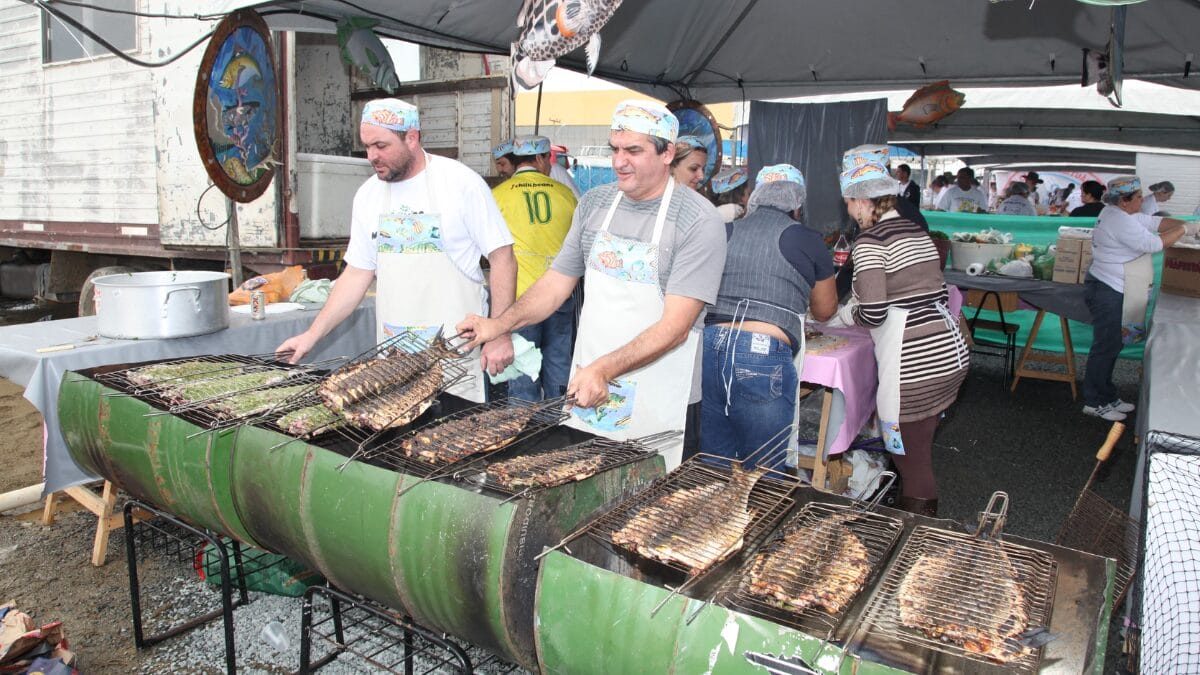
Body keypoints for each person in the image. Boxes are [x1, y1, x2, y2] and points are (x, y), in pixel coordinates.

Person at [457, 100, 727, 468]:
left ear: (667, 154)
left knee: (650, 495)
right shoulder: (595, 204)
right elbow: (555, 284)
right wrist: (499, 324)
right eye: (615, 149)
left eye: (633, 151)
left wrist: (604, 369)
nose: (619, 162)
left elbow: (676, 327)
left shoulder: (698, 221)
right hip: (590, 389)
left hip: (658, 395)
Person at [278, 98, 517, 403]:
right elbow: (356, 274)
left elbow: (503, 258)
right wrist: (311, 335)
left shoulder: (460, 183)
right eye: (367, 146)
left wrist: (499, 333)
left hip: (453, 352)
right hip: (394, 358)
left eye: (381, 146)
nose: (372, 156)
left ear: (412, 138)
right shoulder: (368, 195)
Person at [828, 145, 969, 516]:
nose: (849, 211)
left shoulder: (871, 242)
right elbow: (933, 292)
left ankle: (915, 535)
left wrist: (844, 315)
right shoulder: (914, 230)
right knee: (917, 451)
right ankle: (913, 527)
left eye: (849, 203)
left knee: (911, 460)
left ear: (862, 200)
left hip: (914, 366)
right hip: (947, 353)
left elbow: (874, 312)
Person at [701, 164, 837, 468]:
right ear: (797, 204)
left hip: (711, 346)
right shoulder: (808, 239)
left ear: (754, 197)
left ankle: (714, 496)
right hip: (762, 353)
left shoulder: (726, 231)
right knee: (763, 468)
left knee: (714, 462)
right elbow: (825, 310)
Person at [1082, 176, 1193, 421]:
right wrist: (1185, 230)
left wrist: (1189, 224)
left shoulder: (1121, 214)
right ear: (1124, 201)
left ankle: (1107, 395)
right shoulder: (1118, 219)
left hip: (1120, 287)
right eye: (1139, 197)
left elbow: (1154, 222)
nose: (1143, 200)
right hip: (1108, 289)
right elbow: (1153, 243)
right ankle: (1094, 401)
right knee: (1106, 346)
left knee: (1114, 344)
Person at [491, 135, 579, 401]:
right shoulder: (564, 194)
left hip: (519, 299)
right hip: (559, 295)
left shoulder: (498, 195)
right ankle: (558, 418)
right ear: (540, 158)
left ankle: (521, 421)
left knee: (521, 368)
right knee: (559, 361)